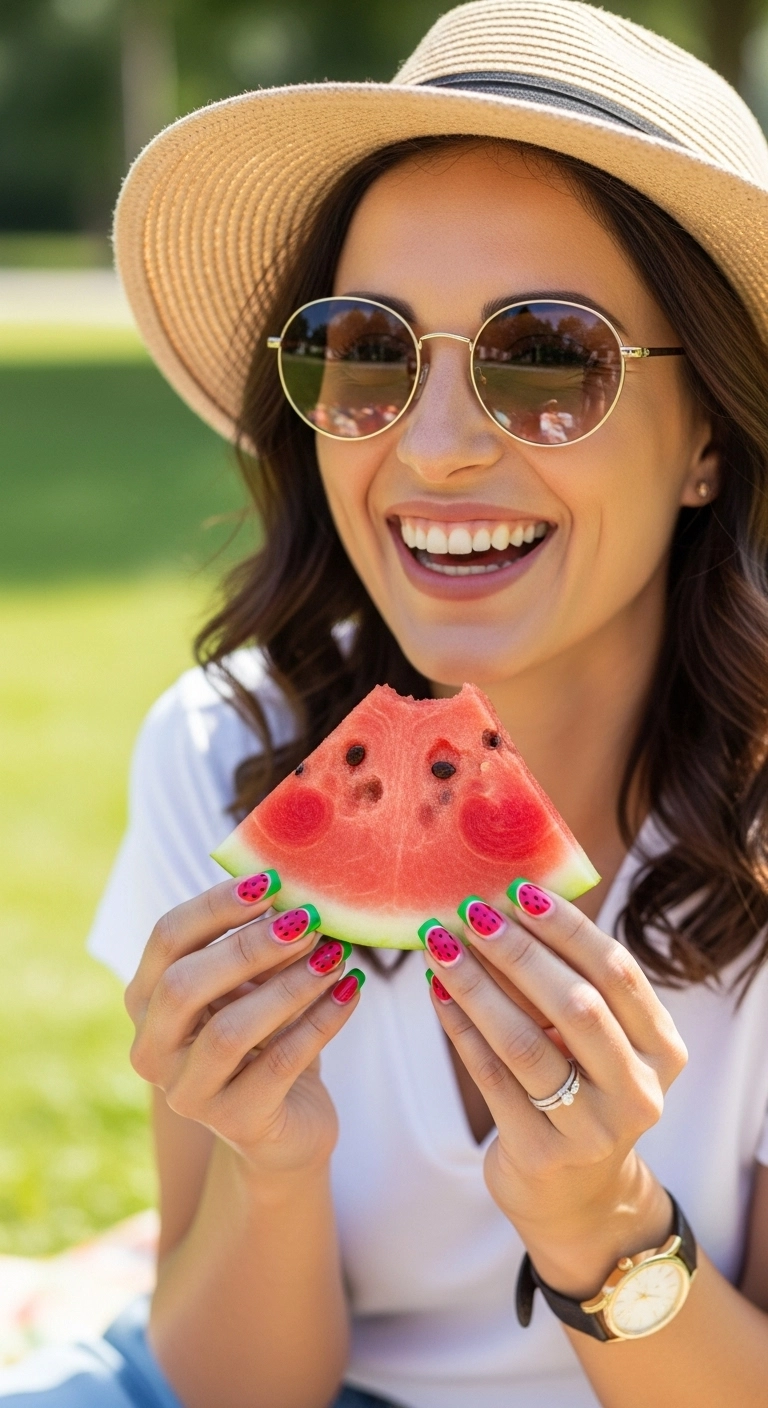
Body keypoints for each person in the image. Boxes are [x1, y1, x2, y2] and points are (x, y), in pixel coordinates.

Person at [3, 1, 768, 1405]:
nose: (434, 447)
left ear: (708, 436)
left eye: (548, 358)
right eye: (367, 349)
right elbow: (231, 1387)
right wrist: (270, 1165)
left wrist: (599, 1222)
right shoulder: (227, 746)